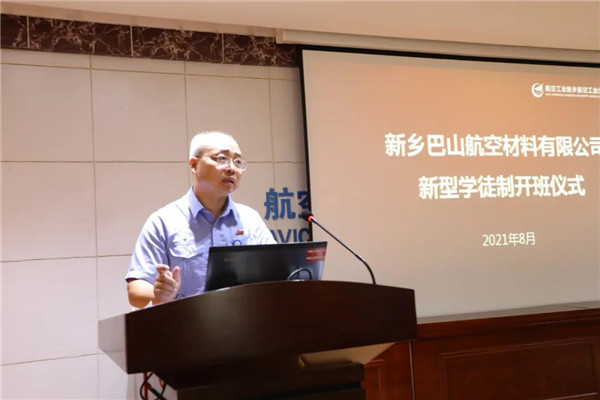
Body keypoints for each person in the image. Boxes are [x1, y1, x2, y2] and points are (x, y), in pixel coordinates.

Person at [126, 131, 276, 308]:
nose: (231, 168)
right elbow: (135, 290)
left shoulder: (251, 220)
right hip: (184, 322)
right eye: (221, 159)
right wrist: (158, 293)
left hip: (244, 321)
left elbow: (277, 274)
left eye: (237, 161)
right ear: (194, 165)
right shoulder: (163, 221)